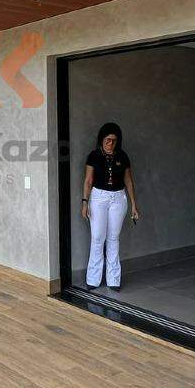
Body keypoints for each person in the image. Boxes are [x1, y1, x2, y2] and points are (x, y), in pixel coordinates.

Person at [81, 121, 139, 290]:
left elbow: (128, 181)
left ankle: (114, 280)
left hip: (118, 198)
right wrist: (85, 202)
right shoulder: (94, 156)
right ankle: (93, 279)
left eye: (114, 140)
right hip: (98, 197)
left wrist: (134, 204)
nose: (110, 143)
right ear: (102, 139)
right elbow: (88, 181)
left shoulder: (122, 156)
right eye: (108, 140)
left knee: (113, 238)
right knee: (98, 238)